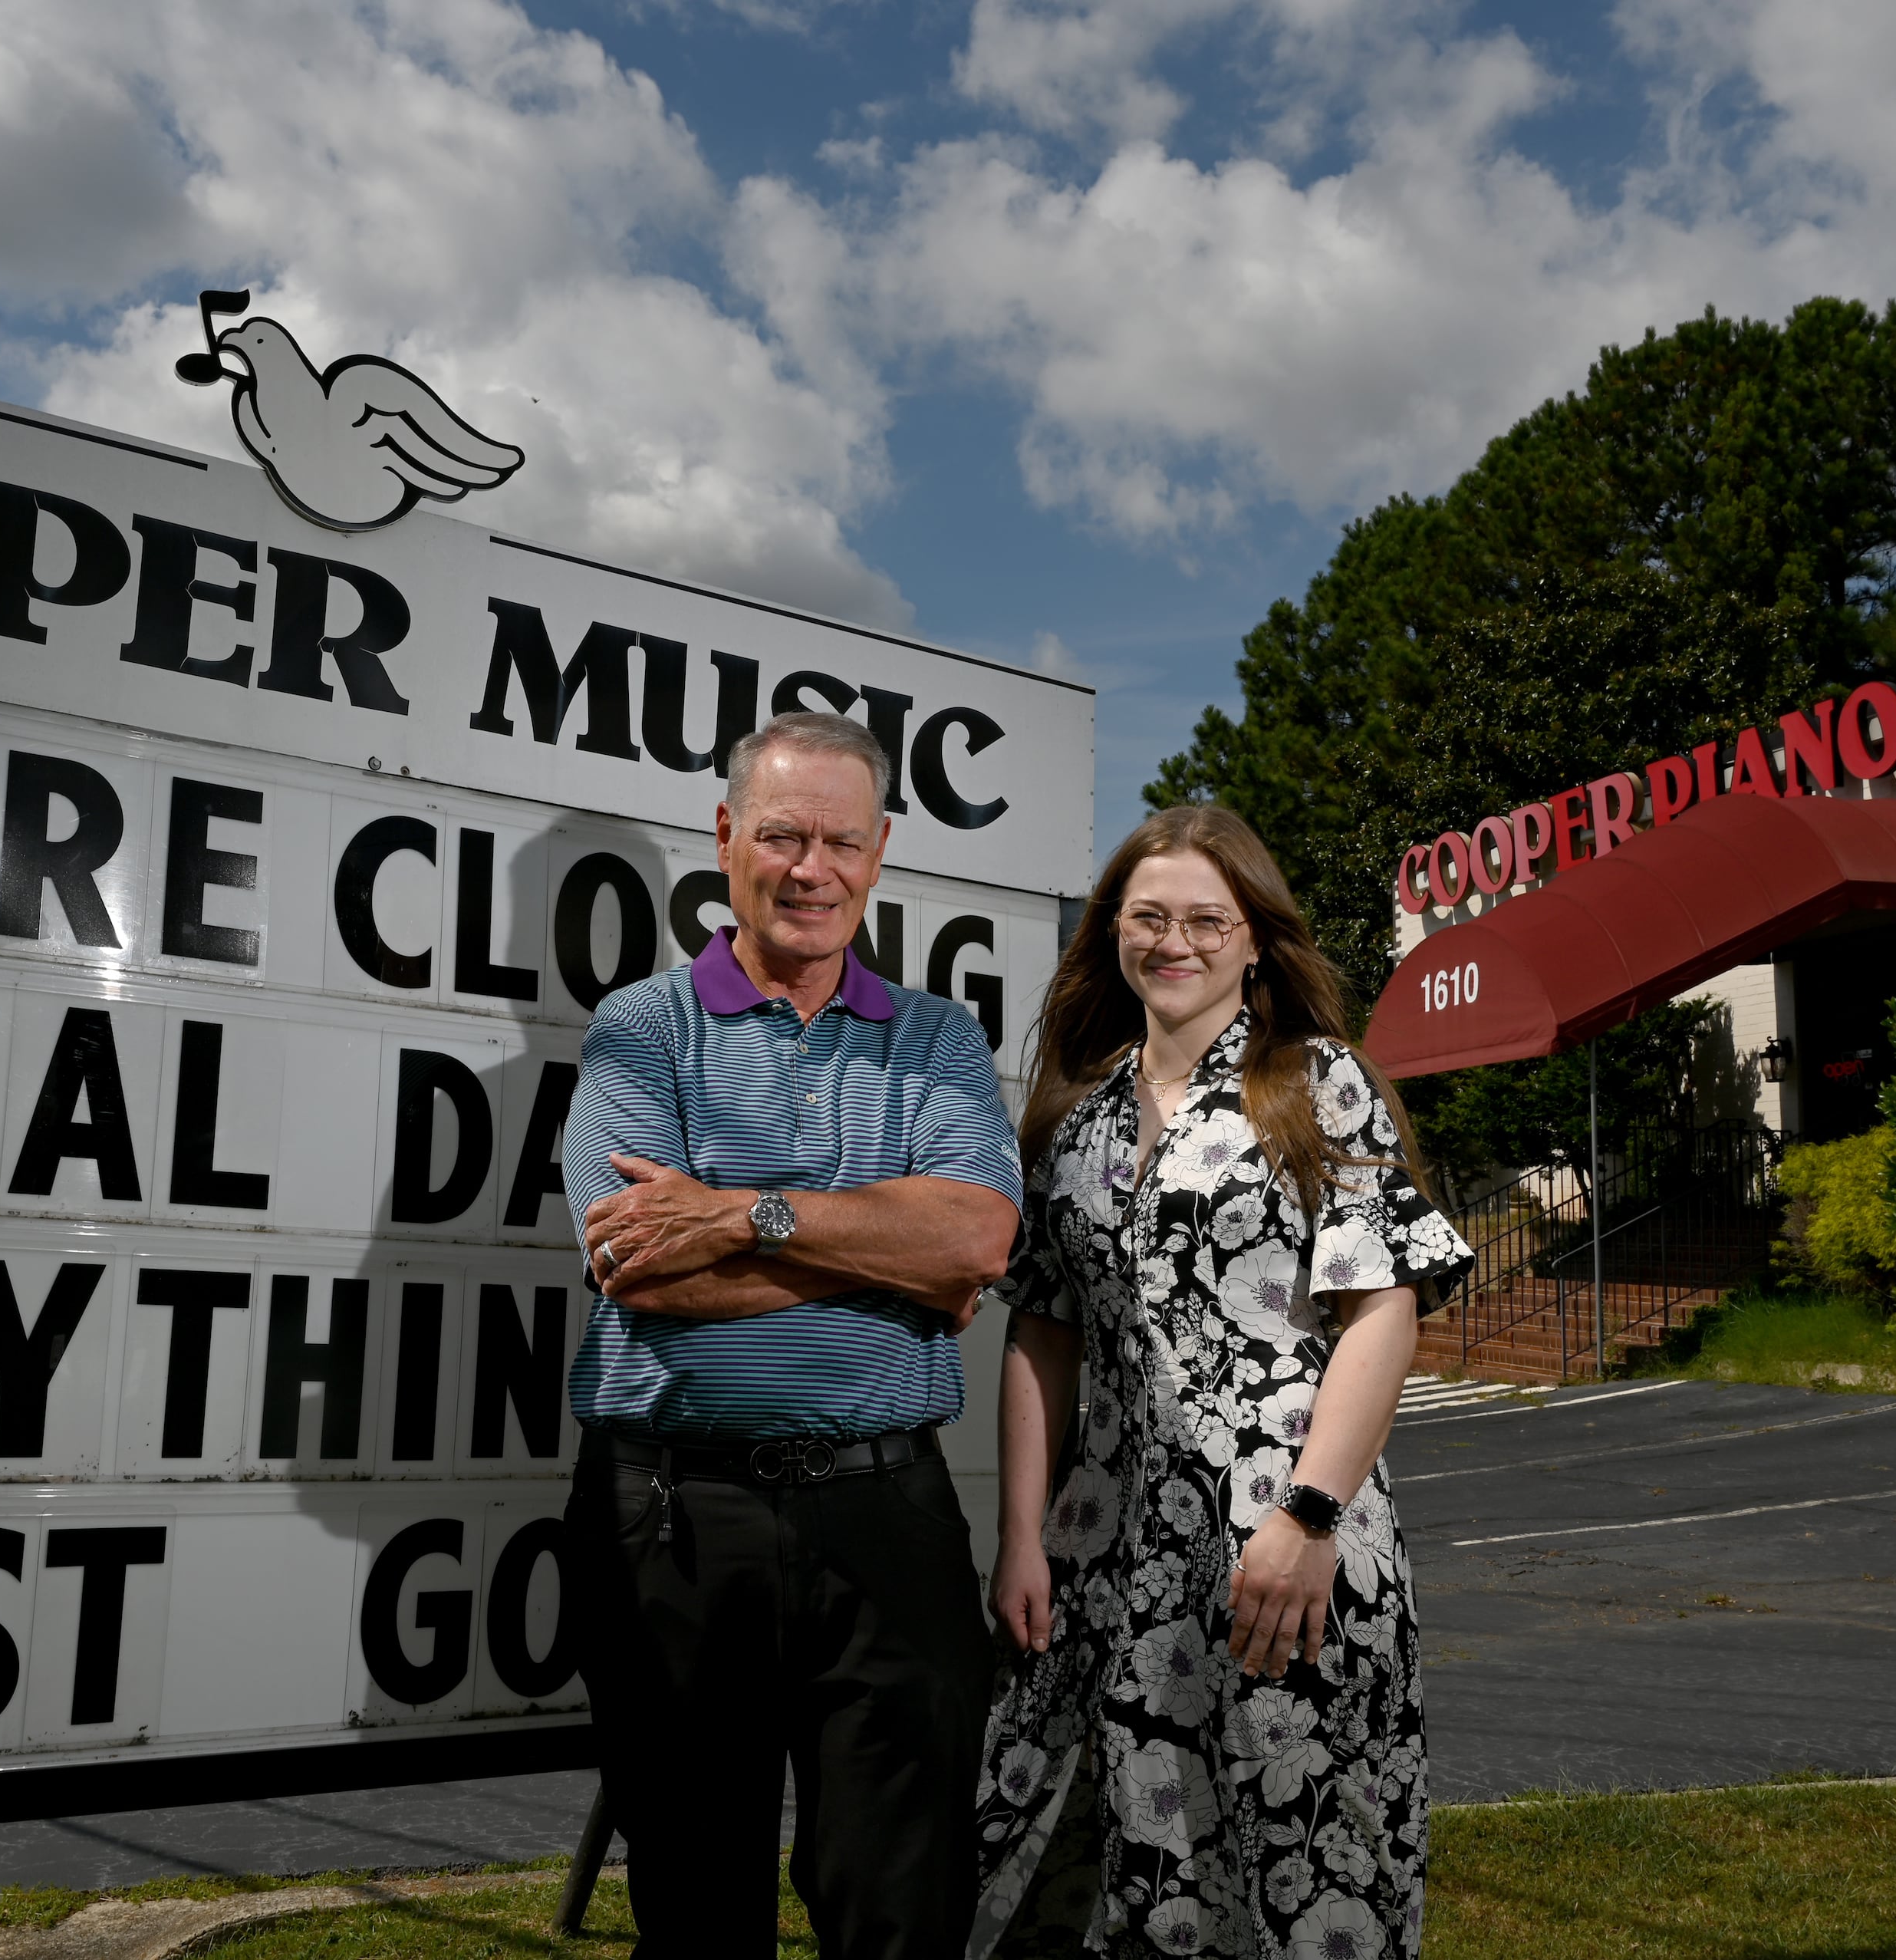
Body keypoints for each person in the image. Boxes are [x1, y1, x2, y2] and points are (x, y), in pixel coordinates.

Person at [560, 710, 1025, 1960]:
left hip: (888, 1514)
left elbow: (978, 1241)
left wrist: (742, 1215)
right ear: (726, 837)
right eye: (781, 837)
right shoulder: (642, 1027)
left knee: (903, 1910)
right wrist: (894, 1270)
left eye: (840, 841)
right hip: (672, 1521)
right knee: (697, 1912)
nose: (811, 868)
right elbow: (640, 1269)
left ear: (879, 853)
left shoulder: (939, 1039)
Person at [971, 805, 1473, 1959]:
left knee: (1307, 1856)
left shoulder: (1316, 1085)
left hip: (1284, 1545)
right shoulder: (1075, 1118)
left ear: (1254, 940)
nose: (1176, 941)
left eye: (1208, 919)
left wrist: (1309, 1518)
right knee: (1129, 1856)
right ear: (1113, 931)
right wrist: (1020, 1538)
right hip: (1105, 1555)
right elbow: (1040, 1334)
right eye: (1149, 917)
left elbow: (1382, 1315)